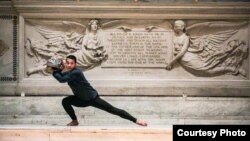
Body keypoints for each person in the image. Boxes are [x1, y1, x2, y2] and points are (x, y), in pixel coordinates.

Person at [46, 55, 147, 126]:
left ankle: (136, 120)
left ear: (75, 64)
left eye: (71, 63)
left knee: (112, 109)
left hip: (92, 98)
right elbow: (62, 76)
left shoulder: (76, 72)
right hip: (80, 99)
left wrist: (54, 71)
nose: (69, 65)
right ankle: (74, 121)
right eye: (67, 63)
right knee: (65, 101)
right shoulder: (69, 73)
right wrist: (57, 68)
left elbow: (61, 79)